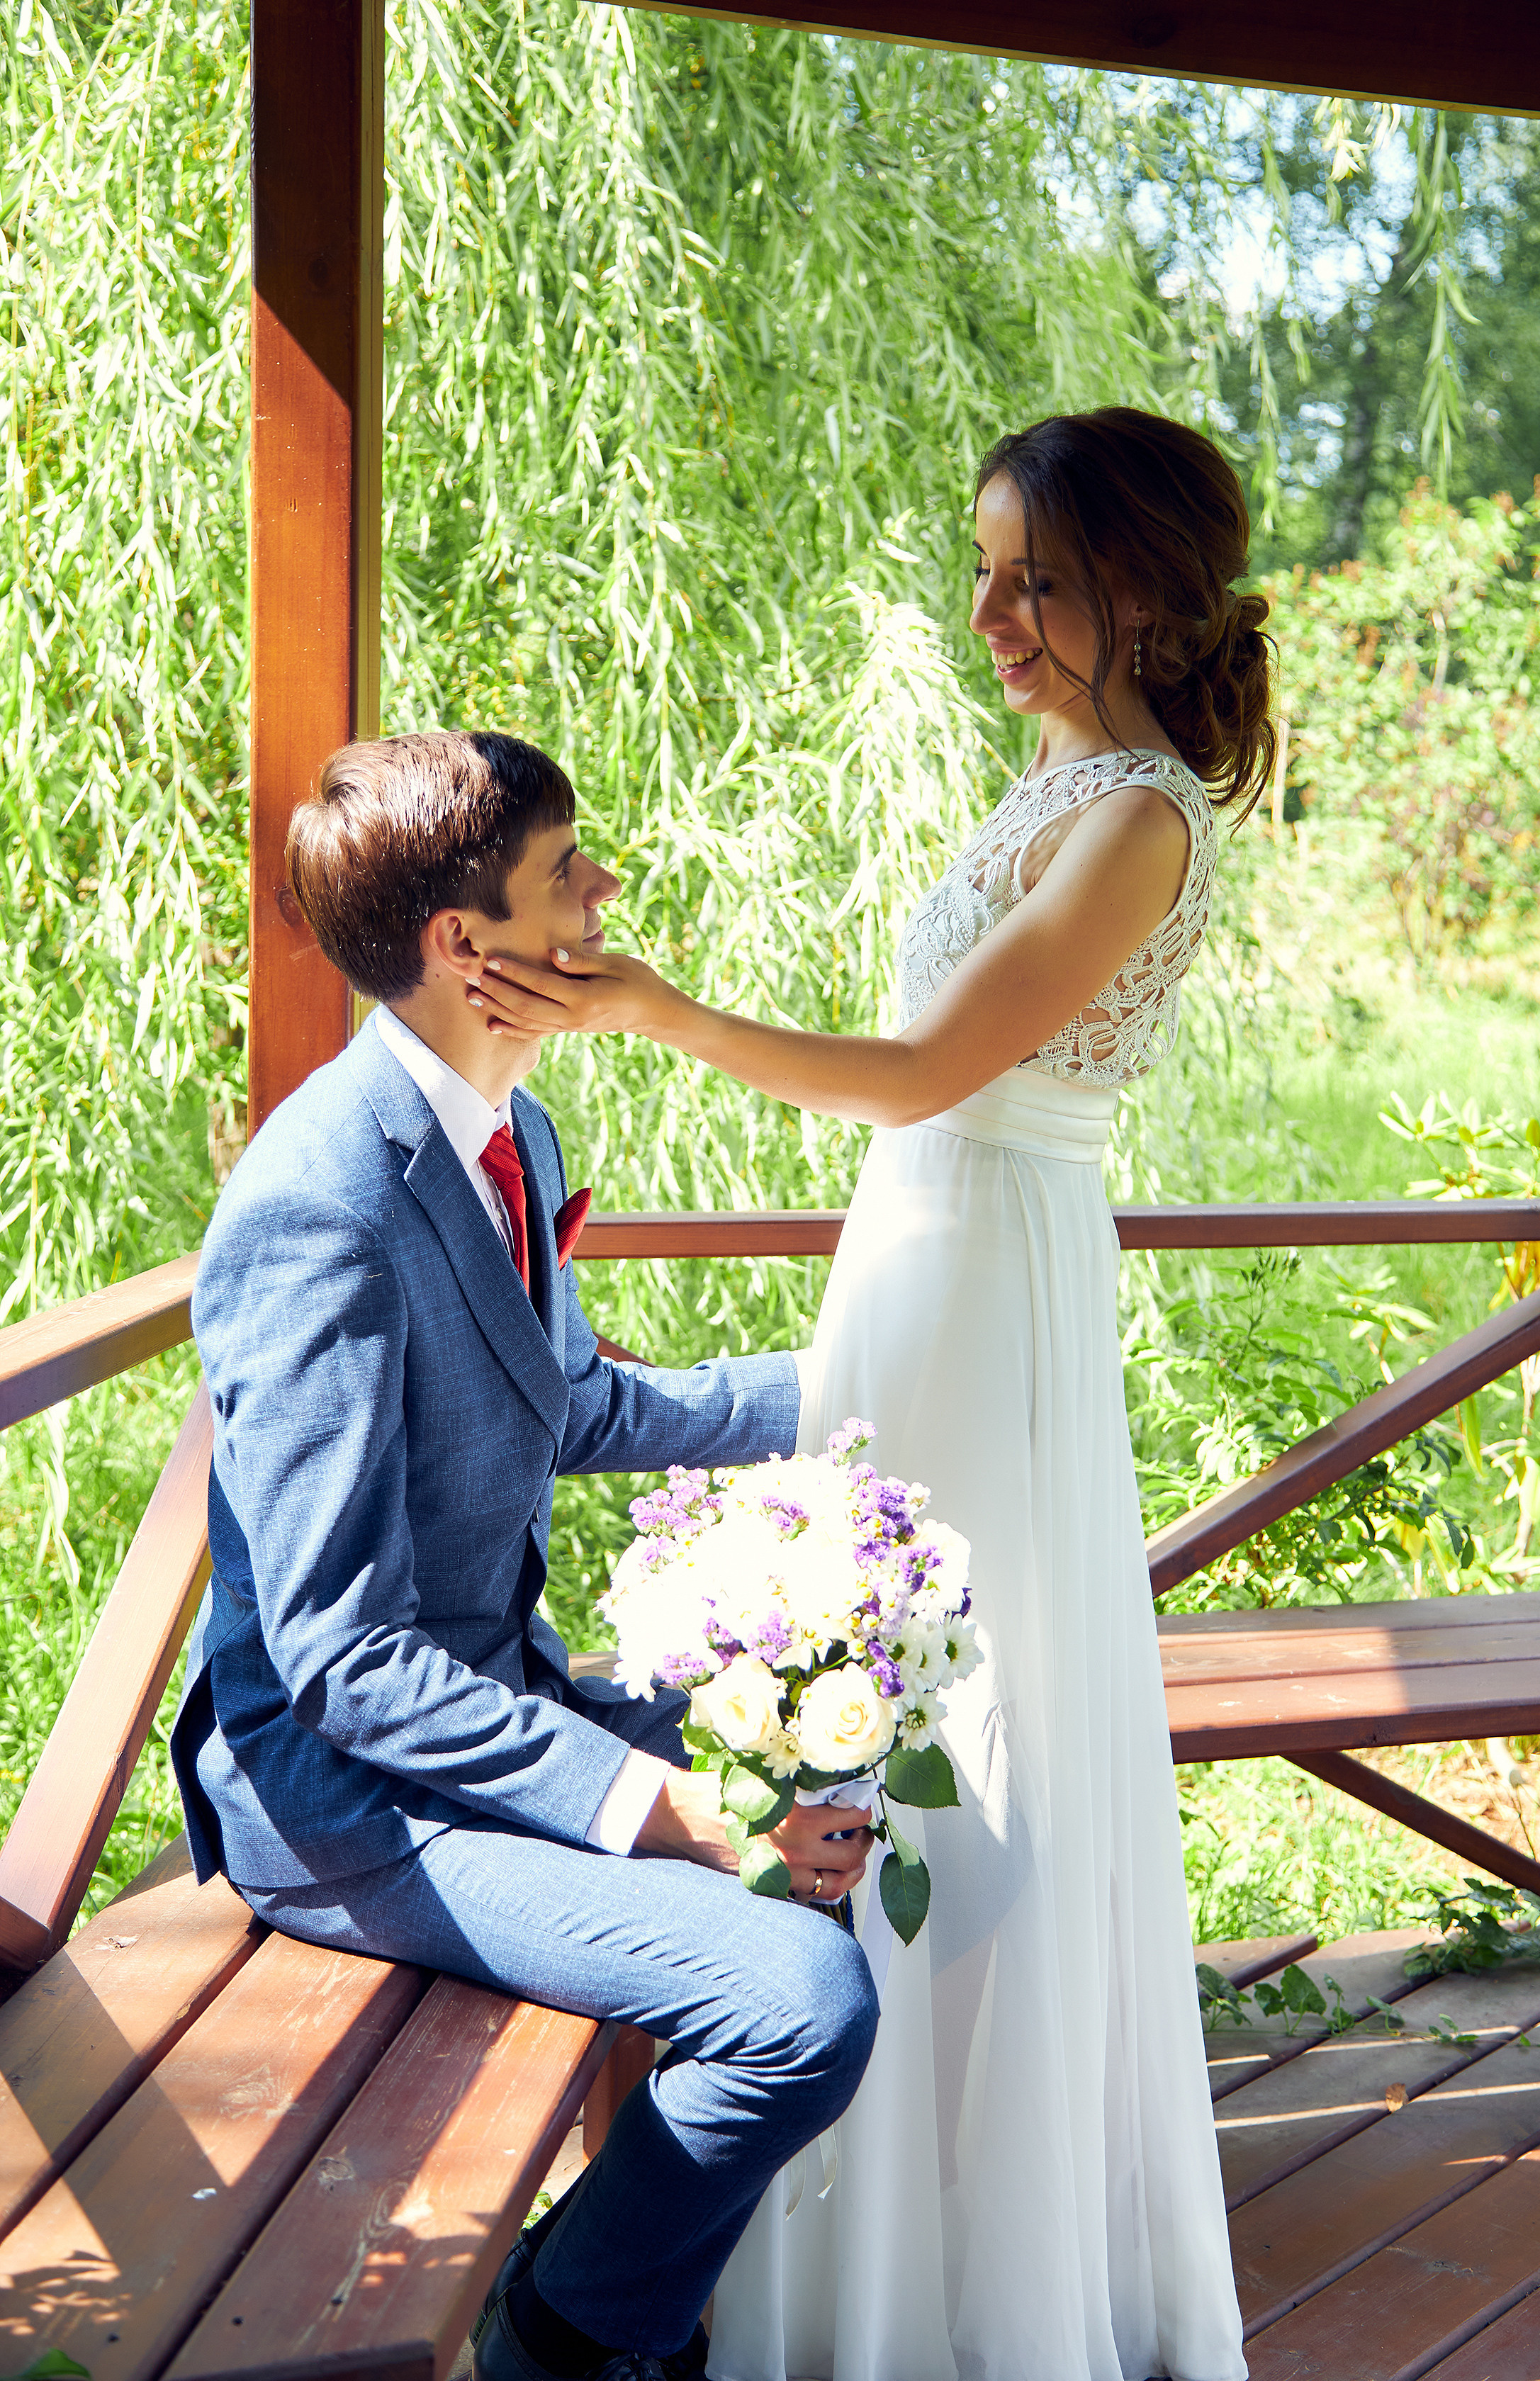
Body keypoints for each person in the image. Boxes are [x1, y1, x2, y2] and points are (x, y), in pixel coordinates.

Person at [464, 408, 1273, 2381]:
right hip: (921, 1268)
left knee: (959, 1741)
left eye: (1036, 579)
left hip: (988, 1292)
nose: (988, 609)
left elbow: (926, 1078)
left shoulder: (1141, 816)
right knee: (858, 1721)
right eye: (988, 563)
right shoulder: (1059, 779)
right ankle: (831, 2217)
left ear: (1141, 592)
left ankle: (953, 2271)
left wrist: (655, 1006)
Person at [171, 728, 880, 2381]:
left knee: (854, 1811)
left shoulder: (512, 1134)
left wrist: (852, 1375)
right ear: (461, 945)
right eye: (570, 870)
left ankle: (638, 2302)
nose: (606, 889)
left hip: (492, 1708)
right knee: (796, 1998)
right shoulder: (318, 1206)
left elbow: (558, 1399)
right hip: (346, 1799)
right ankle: (568, 2340)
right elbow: (341, 1660)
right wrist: (649, 1802)